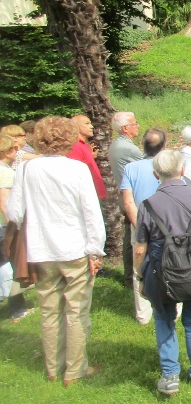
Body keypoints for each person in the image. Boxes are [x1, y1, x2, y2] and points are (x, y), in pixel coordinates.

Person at [7, 116, 105, 385]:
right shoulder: (76, 169)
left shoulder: (28, 169)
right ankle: (75, 371)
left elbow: (15, 212)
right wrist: (96, 249)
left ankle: (53, 368)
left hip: (41, 250)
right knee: (76, 311)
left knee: (50, 311)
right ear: (69, 138)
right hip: (74, 248)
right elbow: (91, 213)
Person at [134, 149, 191, 395]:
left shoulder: (147, 205)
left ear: (156, 174)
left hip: (160, 270)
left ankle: (170, 375)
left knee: (164, 318)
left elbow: (140, 250)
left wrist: (140, 276)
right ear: (183, 170)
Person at [121, 128, 167, 325]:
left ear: (143, 145)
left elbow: (128, 202)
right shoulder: (168, 165)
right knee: (169, 263)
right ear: (164, 146)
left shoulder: (131, 168)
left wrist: (138, 225)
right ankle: (172, 307)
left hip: (139, 221)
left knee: (139, 268)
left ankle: (143, 314)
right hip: (166, 224)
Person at [107, 111, 144, 288]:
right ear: (125, 128)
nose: (138, 126)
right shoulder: (127, 148)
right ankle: (134, 276)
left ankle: (129, 276)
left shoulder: (117, 144)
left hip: (126, 196)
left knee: (130, 236)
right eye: (135, 123)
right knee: (134, 238)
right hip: (133, 198)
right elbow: (149, 164)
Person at [0, 134, 33, 322]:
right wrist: (15, 227)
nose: (17, 152)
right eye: (14, 149)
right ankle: (16, 308)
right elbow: (5, 204)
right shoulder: (5, 173)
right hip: (6, 226)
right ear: (6, 152)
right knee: (11, 266)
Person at [68, 115, 107, 199]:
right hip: (88, 196)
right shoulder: (75, 146)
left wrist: (91, 157)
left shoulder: (83, 144)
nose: (92, 126)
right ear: (75, 127)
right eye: (87, 124)